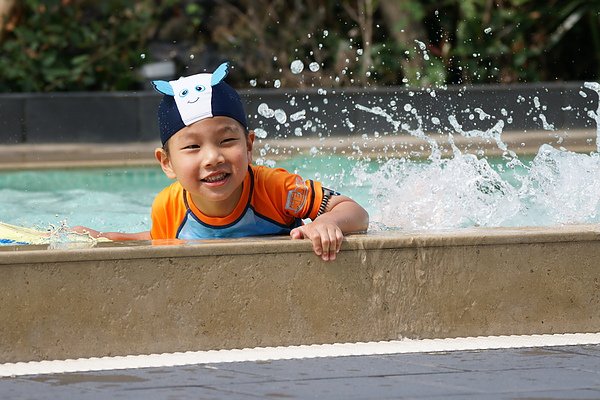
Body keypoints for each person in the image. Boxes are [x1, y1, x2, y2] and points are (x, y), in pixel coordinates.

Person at [77, 62, 368, 261]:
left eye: (227, 141)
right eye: (192, 146)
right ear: (167, 163)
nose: (213, 157)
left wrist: (327, 223)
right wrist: (104, 237)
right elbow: (161, 239)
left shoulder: (276, 189)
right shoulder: (167, 206)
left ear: (249, 145)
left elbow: (355, 211)